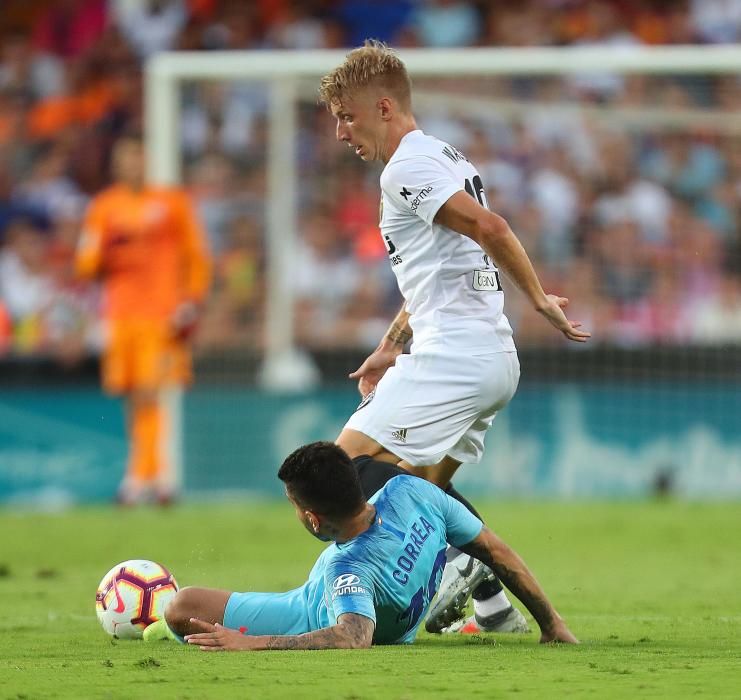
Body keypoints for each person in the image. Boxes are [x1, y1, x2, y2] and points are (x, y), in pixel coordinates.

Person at [317, 41, 590, 634]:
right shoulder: (442, 155)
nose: (341, 132)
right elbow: (437, 273)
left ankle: (423, 591)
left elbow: (490, 227)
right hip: (488, 356)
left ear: (384, 106)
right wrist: (392, 344)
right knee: (418, 495)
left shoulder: (406, 170)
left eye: (347, 115)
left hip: (456, 354)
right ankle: (496, 609)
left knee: (336, 477)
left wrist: (539, 297)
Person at [157, 441, 577, 650]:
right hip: (401, 594)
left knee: (180, 606)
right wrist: (551, 623)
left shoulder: (348, 570)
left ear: (312, 519)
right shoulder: (412, 491)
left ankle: (157, 623)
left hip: (304, 611)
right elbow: (497, 551)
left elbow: (354, 636)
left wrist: (253, 643)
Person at [75, 132, 211, 505]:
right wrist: (110, 248)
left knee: (154, 392)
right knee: (134, 397)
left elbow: (196, 256)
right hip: (120, 316)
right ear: (117, 165)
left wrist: (191, 300)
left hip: (162, 316)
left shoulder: (172, 203)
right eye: (126, 158)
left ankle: (148, 480)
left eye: (139, 157)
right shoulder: (104, 207)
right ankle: (148, 476)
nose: (133, 164)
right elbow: (86, 264)